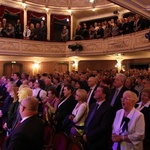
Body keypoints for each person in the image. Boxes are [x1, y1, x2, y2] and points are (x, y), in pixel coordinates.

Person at [83, 86, 115, 150]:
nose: (95, 91)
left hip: (97, 141)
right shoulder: (93, 105)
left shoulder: (108, 108)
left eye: (98, 91)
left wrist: (88, 136)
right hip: (87, 137)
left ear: (103, 95)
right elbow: (88, 120)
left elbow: (102, 127)